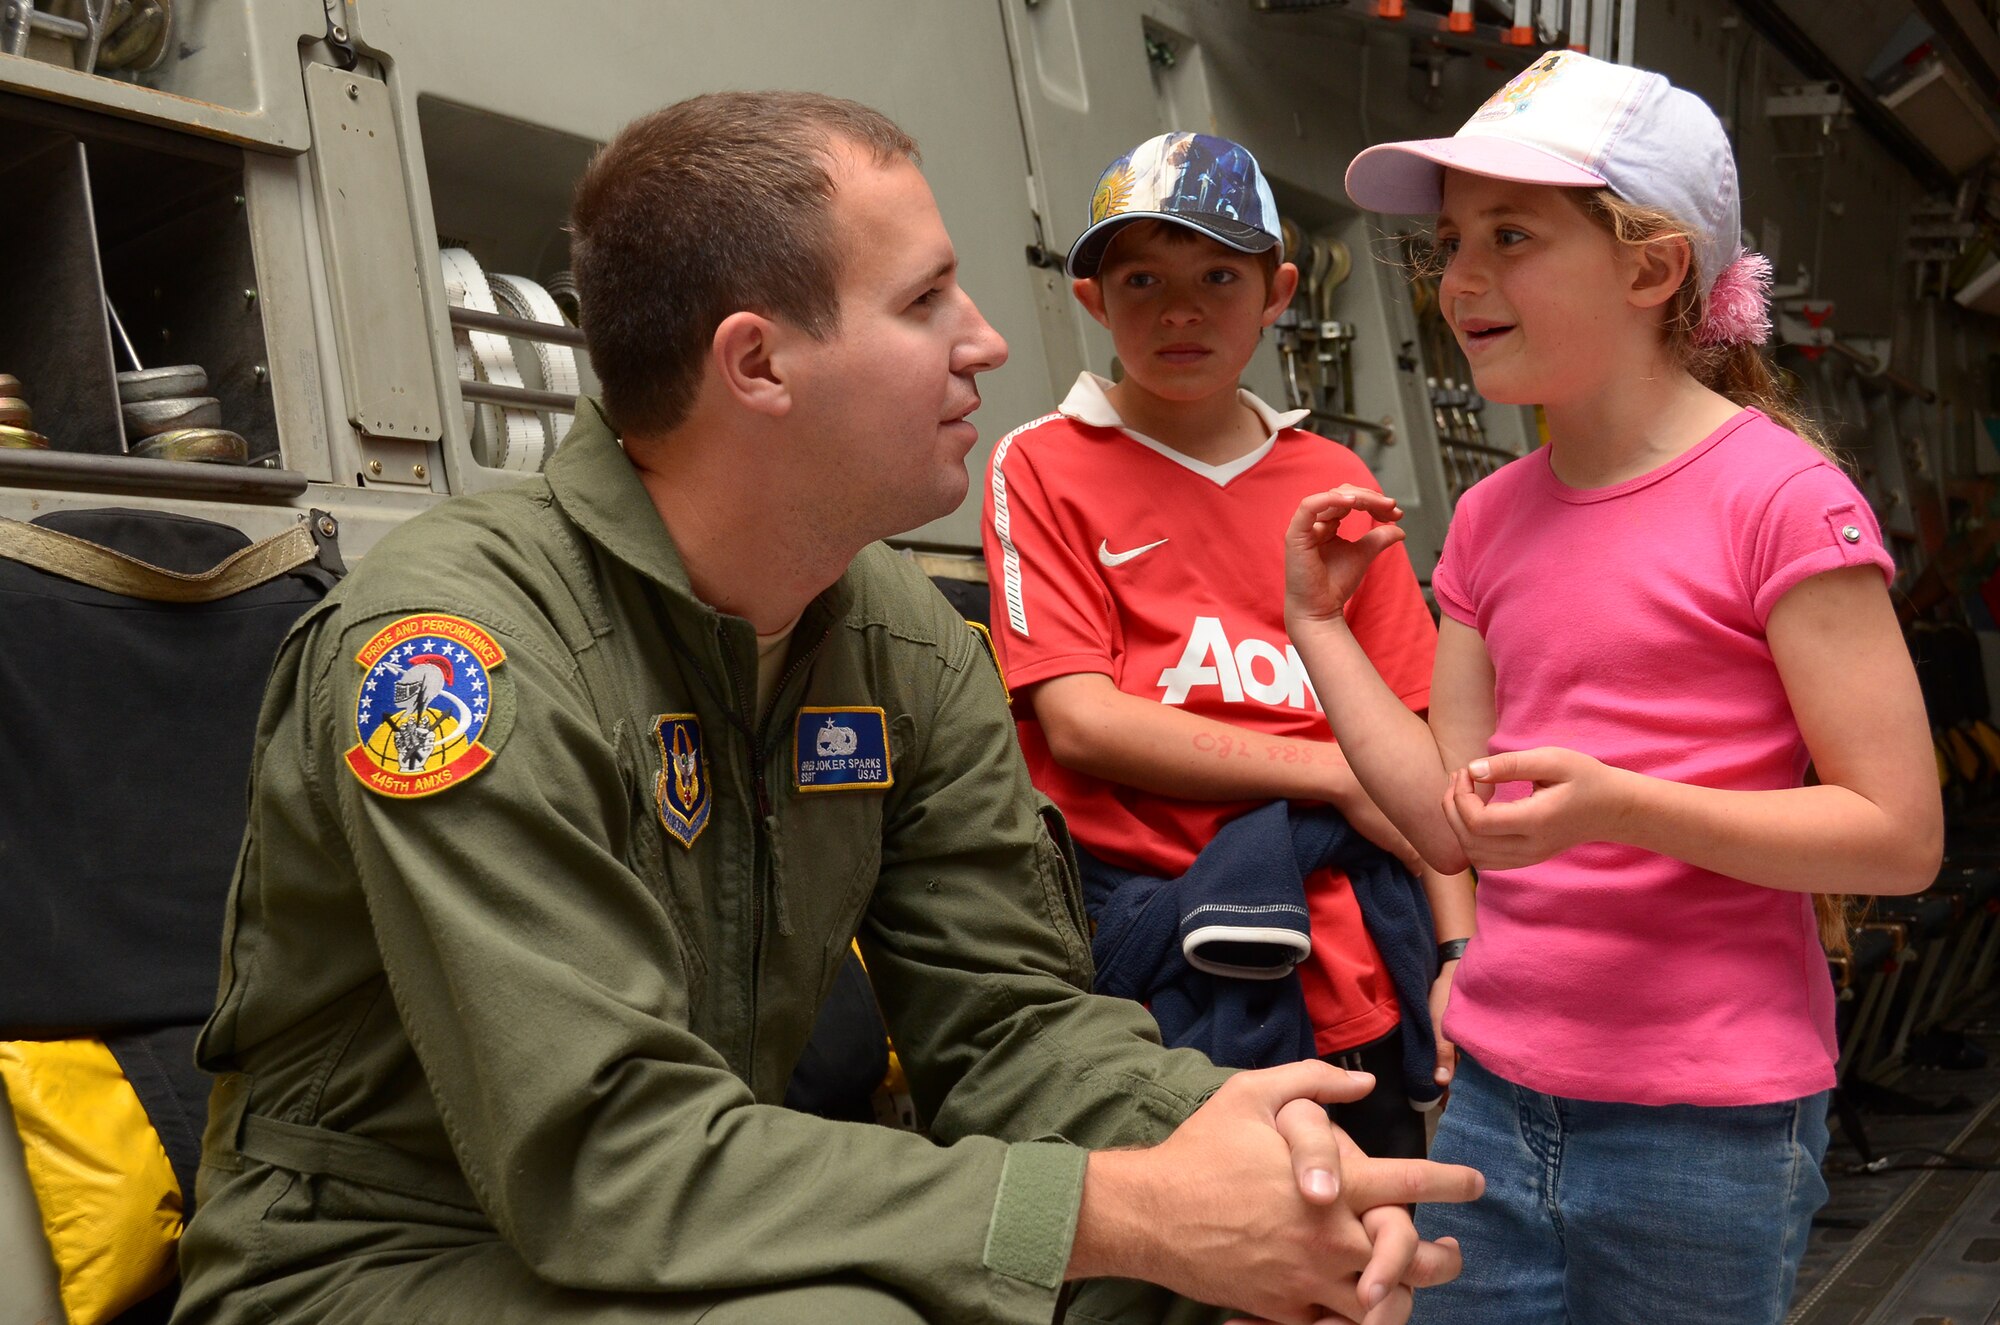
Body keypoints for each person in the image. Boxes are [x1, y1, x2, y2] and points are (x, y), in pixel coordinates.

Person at [168, 92, 1482, 1325]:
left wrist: (1225, 1139)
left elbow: (1010, 1023)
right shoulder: (463, 656)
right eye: (925, 302)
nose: (989, 339)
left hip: (697, 1203)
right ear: (759, 365)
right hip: (376, 1251)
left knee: (1175, 1276)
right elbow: (607, 1156)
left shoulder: (903, 647)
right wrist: (1123, 1206)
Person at [1286, 51, 1943, 1324]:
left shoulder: (1781, 501)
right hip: (1489, 1091)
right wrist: (1319, 629)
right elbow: (1447, 816)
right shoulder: (1484, 519)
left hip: (1707, 1129)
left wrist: (1619, 807)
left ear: (1650, 269)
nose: (1458, 281)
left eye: (1510, 236)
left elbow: (1897, 834)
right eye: (1450, 243)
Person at [983, 131, 1474, 1162]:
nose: (1178, 310)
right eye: (1140, 279)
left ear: (1276, 290)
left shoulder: (1332, 476)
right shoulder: (1040, 463)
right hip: (1153, 960)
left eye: (1216, 274)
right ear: (1091, 301)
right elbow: (1078, 719)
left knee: (1365, 1252)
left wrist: (1458, 947)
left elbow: (1417, 745)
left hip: (1350, 950)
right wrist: (1332, 773)